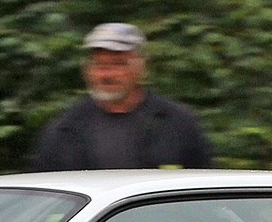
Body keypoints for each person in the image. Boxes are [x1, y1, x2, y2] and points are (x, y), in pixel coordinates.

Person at [28, 22, 215, 172]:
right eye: (99, 65)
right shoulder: (66, 129)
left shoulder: (176, 122)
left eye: (118, 64)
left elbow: (202, 189)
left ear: (140, 67)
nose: (106, 74)